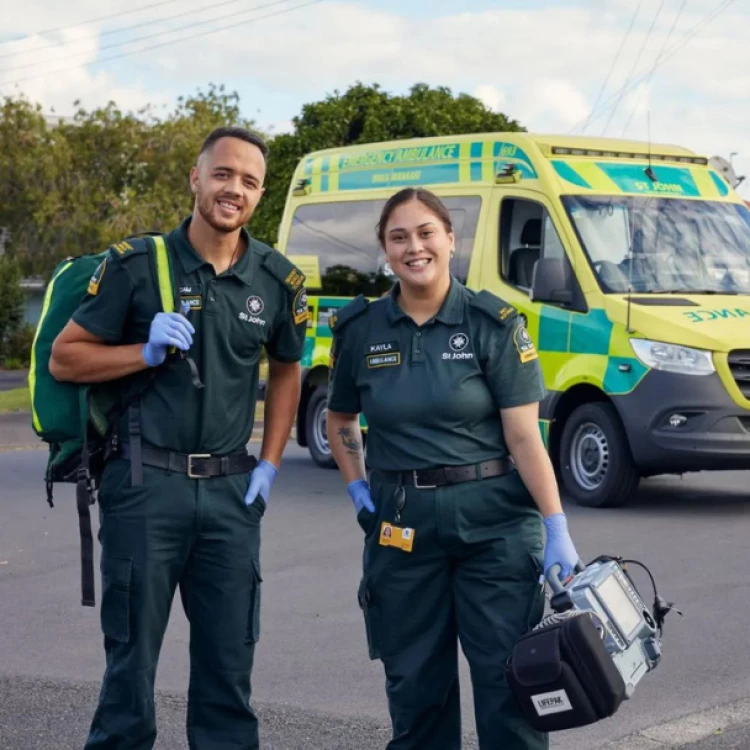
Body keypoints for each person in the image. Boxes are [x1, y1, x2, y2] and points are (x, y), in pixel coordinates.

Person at [49, 126, 308, 750]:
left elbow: (287, 369)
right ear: (195, 179)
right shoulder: (136, 267)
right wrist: (143, 348)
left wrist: (269, 464)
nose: (233, 189)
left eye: (248, 181)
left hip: (230, 493)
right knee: (131, 670)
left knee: (228, 670)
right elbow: (66, 358)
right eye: (222, 174)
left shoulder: (277, 280)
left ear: (261, 195)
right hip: (145, 486)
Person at [326, 187, 581, 750]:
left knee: (508, 687)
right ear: (385, 250)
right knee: (416, 688)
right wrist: (355, 483)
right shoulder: (361, 331)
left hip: (494, 529)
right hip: (401, 529)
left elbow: (523, 435)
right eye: (398, 237)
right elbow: (339, 415)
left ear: (450, 239)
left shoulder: (493, 322)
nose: (413, 247)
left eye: (425, 233)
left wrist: (556, 525)